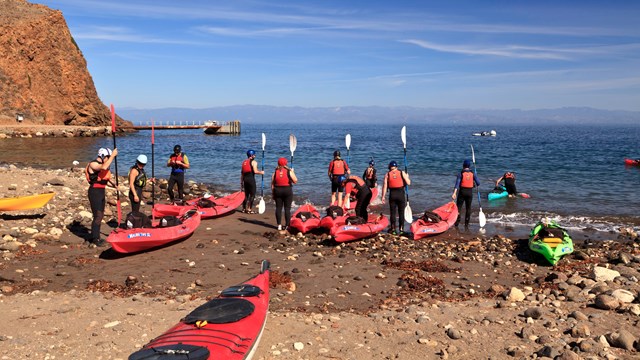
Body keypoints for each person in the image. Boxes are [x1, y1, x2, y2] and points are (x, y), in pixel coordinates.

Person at [85, 147, 118, 247]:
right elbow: (103, 168)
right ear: (103, 156)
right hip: (94, 192)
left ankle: (95, 236)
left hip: (101, 191)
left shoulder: (102, 164)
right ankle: (95, 238)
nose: (109, 159)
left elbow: (103, 178)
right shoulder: (93, 164)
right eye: (107, 157)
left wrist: (114, 185)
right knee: (98, 216)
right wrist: (113, 155)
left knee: (100, 215)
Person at [381, 161, 411, 235]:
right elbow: (409, 183)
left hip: (392, 195)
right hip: (400, 194)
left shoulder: (387, 174)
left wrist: (383, 196)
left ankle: (393, 229)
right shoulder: (402, 172)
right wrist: (407, 177)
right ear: (396, 167)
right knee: (401, 212)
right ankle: (401, 230)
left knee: (392, 213)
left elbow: (385, 186)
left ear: (390, 167)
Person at [451, 159, 480, 228]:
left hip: (462, 192)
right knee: (468, 208)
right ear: (469, 166)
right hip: (469, 193)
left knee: (458, 208)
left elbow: (457, 184)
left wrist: (454, 193)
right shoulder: (473, 173)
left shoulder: (461, 173)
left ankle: (457, 223)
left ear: (463, 165)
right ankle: (466, 224)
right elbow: (478, 183)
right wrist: (475, 177)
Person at [271, 157, 298, 231]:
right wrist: (292, 172)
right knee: (287, 208)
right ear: (285, 164)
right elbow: (295, 181)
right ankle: (287, 225)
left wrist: (273, 193)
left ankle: (279, 225)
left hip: (277, 191)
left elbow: (272, 184)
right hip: (287, 190)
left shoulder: (275, 172)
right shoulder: (289, 171)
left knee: (278, 208)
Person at [240, 149, 265, 213]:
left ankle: (243, 209)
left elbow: (242, 173)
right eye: (254, 154)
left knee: (246, 195)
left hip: (245, 180)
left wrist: (241, 182)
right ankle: (249, 209)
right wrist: (261, 172)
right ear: (251, 155)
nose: (255, 156)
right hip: (251, 179)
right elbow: (255, 171)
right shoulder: (254, 162)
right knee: (252, 194)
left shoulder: (244, 162)